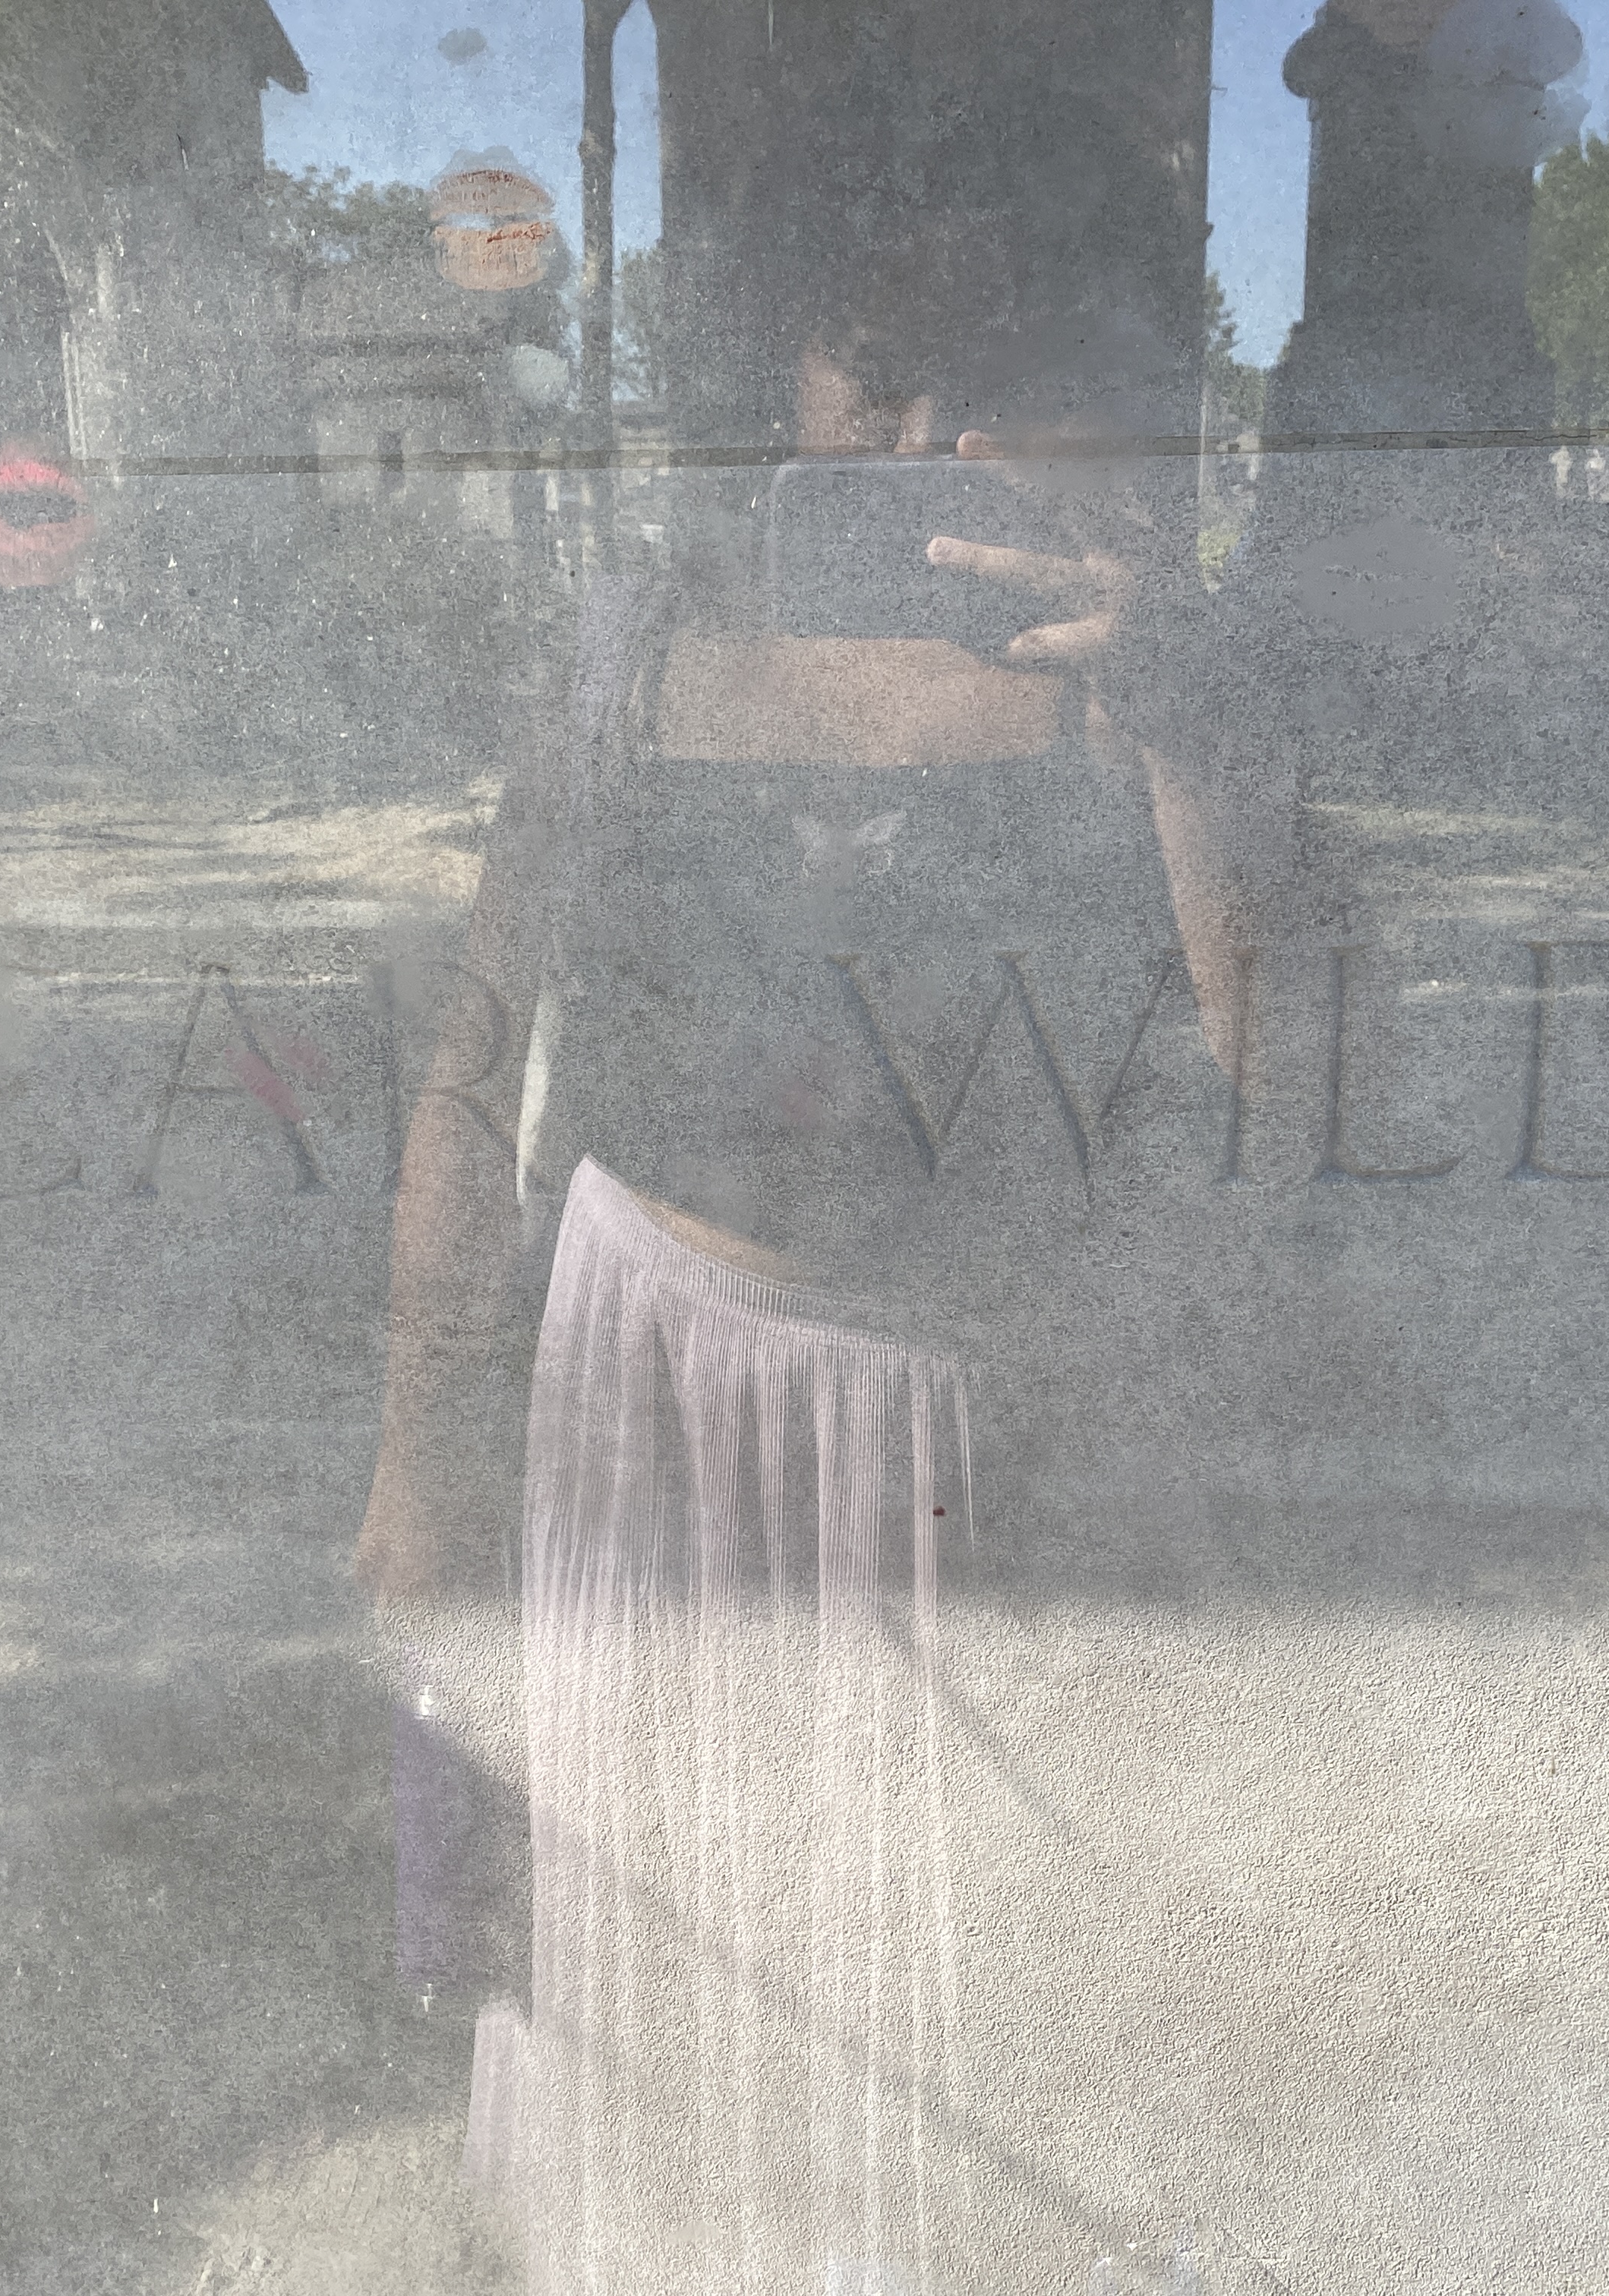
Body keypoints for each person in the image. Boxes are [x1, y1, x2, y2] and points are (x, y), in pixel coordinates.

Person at [359, 244, 1257, 2292]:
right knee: (645, 1980)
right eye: (873, 369)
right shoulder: (631, 646)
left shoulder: (1138, 677)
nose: (922, 437)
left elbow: (1262, 1070)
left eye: (981, 383)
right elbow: (477, 1058)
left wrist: (1182, 718)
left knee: (917, 2005)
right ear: (786, 390)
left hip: (960, 1428)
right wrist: (416, 1461)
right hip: (635, 1383)